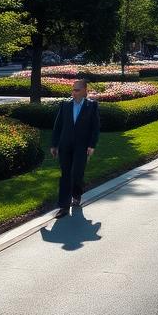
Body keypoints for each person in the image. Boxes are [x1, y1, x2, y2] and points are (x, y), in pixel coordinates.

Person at [50, 77, 100, 217]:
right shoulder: (65, 105)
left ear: (85, 91)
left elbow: (95, 128)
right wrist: (54, 145)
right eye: (73, 90)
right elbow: (58, 126)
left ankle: (77, 195)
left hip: (82, 147)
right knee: (65, 175)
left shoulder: (92, 106)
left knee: (77, 174)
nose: (74, 93)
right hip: (65, 145)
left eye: (77, 90)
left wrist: (92, 145)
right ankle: (64, 207)